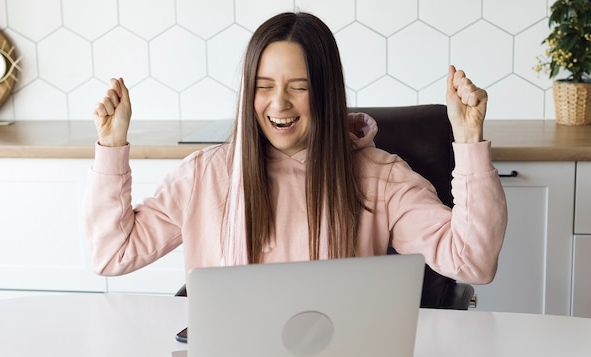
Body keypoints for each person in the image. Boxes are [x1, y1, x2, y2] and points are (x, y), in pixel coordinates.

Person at [85, 12, 507, 285]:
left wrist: (469, 141)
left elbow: (472, 262)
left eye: (299, 88)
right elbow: (113, 253)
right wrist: (111, 144)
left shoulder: (382, 178)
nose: (279, 103)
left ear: (326, 93)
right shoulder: (204, 175)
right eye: (263, 87)